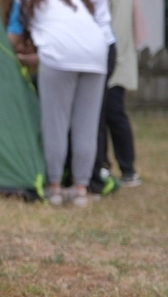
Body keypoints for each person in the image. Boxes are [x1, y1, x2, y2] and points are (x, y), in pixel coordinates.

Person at [16, 0, 110, 207]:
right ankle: (80, 190)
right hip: (96, 54)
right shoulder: (76, 3)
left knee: (55, 124)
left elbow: (16, 36)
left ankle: (55, 187)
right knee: (86, 126)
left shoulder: (30, 3)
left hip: (59, 57)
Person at [99, 0, 145, 187]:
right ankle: (103, 166)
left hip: (113, 63)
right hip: (104, 61)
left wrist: (112, 61)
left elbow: (120, 28)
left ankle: (127, 170)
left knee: (113, 113)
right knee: (100, 116)